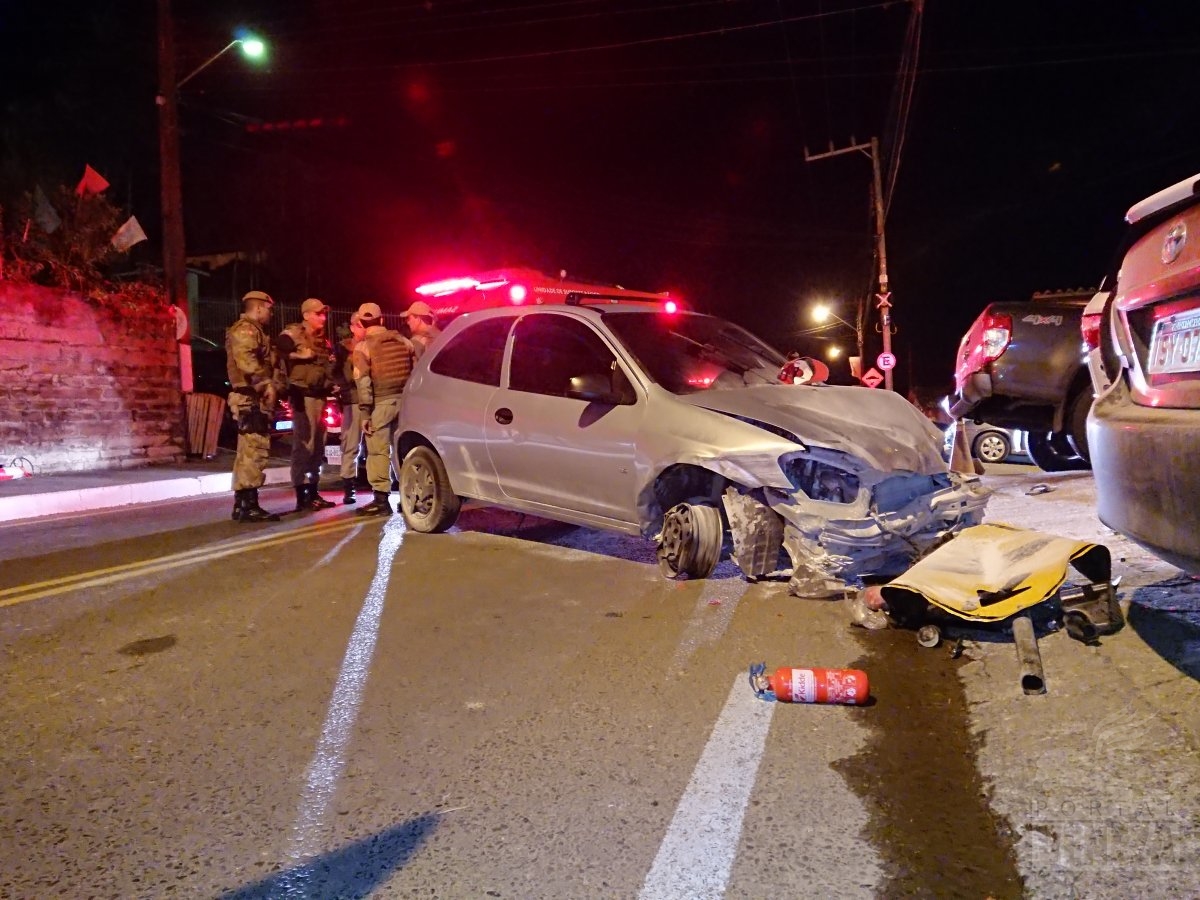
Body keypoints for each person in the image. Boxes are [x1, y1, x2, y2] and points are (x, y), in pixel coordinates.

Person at [352, 302, 416, 516]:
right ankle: (411, 496)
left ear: (361, 323)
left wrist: (364, 413)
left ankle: (381, 500)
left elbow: (363, 383)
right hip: (406, 403)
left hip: (380, 404)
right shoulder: (404, 342)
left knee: (378, 452)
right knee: (403, 451)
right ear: (381, 320)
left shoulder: (363, 348)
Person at [225, 290, 284, 522]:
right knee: (254, 450)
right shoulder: (246, 329)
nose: (270, 313)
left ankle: (243, 503)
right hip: (250, 398)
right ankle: (248, 505)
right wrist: (265, 383)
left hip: (249, 397)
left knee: (247, 452)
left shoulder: (254, 330)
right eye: (269, 309)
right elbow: (247, 360)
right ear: (258, 307)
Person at [276, 297, 336, 511]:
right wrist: (300, 355)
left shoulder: (322, 340)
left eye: (323, 313)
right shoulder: (295, 333)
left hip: (319, 396)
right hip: (303, 396)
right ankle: (301, 493)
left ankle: (313, 491)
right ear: (306, 315)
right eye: (318, 313)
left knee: (318, 445)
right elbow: (279, 348)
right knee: (304, 444)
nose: (322, 317)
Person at [331, 312, 367, 504]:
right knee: (350, 444)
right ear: (352, 327)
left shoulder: (373, 344)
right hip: (353, 400)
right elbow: (338, 372)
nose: (363, 328)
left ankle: (386, 484)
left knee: (380, 446)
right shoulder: (344, 348)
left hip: (371, 400)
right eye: (359, 325)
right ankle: (349, 485)